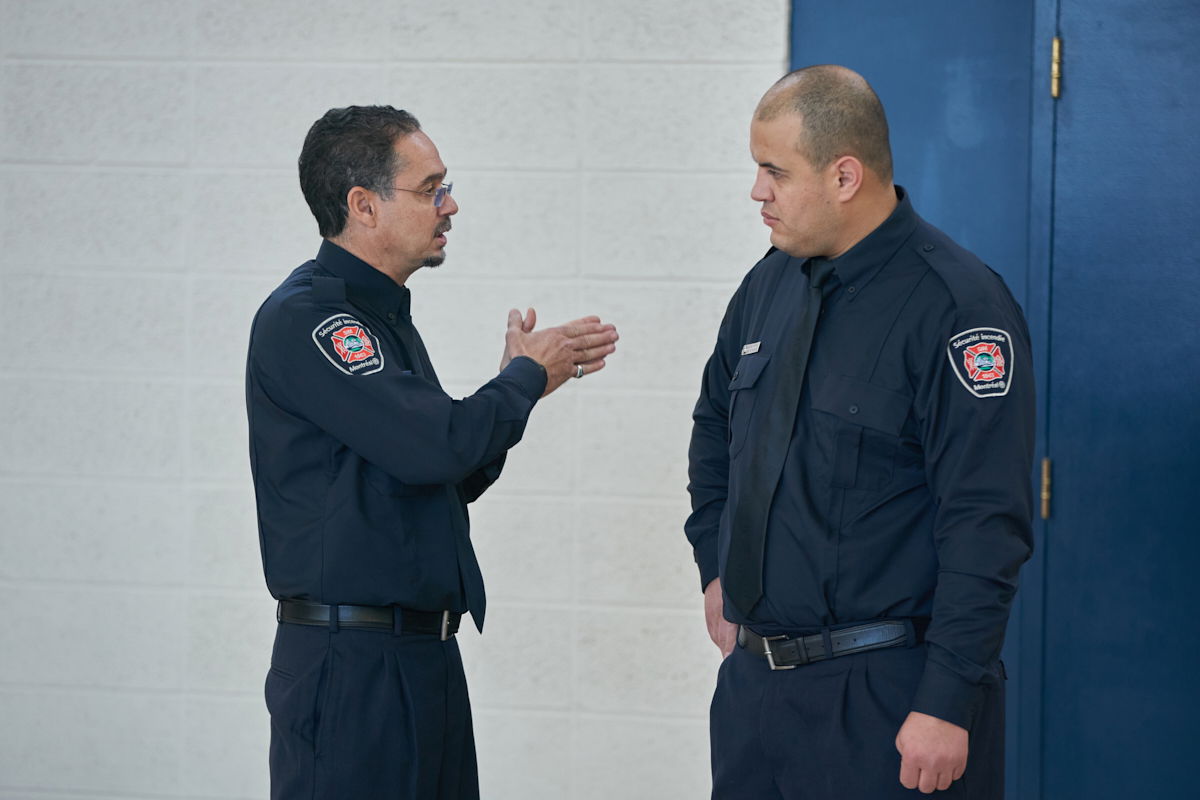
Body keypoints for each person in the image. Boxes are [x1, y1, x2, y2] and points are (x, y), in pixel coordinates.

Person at [245, 105, 618, 799]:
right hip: (352, 666)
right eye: (430, 189)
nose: (450, 205)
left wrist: (520, 386)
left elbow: (441, 473)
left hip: (420, 657)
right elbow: (436, 448)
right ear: (364, 205)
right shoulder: (313, 319)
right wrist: (521, 380)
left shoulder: (381, 316)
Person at [685, 66, 1034, 798]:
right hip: (756, 697)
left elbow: (984, 521)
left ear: (844, 176)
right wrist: (715, 565)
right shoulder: (769, 284)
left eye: (775, 172)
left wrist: (947, 700)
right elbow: (714, 426)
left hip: (888, 701)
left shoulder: (957, 308)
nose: (757, 192)